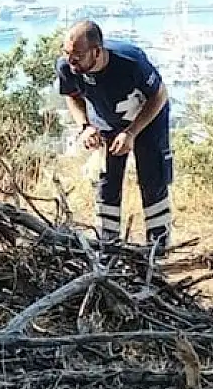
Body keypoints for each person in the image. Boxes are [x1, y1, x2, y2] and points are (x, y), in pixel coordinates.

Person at [56, 20, 174, 251]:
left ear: (97, 51)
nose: (71, 60)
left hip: (147, 119)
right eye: (67, 52)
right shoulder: (66, 67)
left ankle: (158, 246)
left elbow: (159, 95)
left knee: (152, 178)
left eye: (78, 55)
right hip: (106, 122)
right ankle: (107, 244)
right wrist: (85, 126)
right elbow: (71, 95)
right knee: (107, 181)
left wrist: (131, 132)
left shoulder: (131, 62)